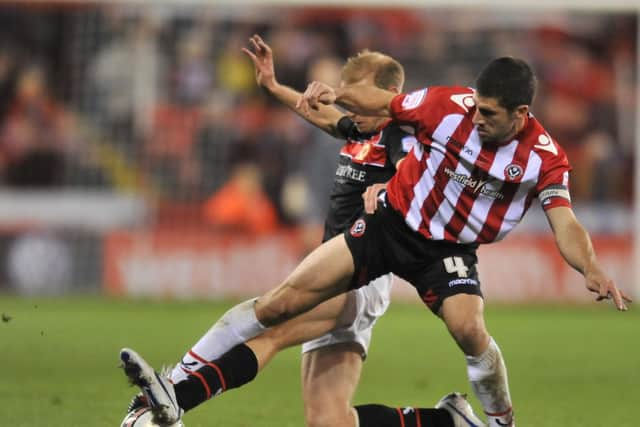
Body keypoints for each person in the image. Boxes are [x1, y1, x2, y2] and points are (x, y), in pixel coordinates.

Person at [121, 55, 632, 426]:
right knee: (295, 347)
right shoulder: (443, 105)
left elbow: (564, 221)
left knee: (468, 328)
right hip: (388, 228)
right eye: (475, 108)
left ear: (521, 115)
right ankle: (450, 422)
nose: (476, 119)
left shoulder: (544, 157)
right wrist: (312, 92)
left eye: (490, 114)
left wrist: (588, 266)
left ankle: (500, 422)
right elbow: (367, 108)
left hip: (446, 250)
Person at [120, 35, 484, 427]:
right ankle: (449, 421)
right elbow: (325, 117)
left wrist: (391, 190)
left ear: (390, 94)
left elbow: (419, 174)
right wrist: (275, 86)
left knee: (270, 322)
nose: (349, 105)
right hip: (334, 267)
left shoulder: (404, 135)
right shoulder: (363, 130)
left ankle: (170, 399)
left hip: (358, 276)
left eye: (358, 96)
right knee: (328, 421)